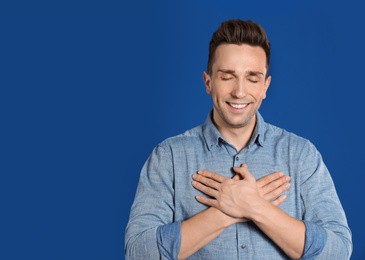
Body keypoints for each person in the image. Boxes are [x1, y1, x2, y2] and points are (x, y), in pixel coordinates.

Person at [125, 19, 352, 259]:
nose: (240, 91)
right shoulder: (168, 156)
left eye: (252, 78)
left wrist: (257, 207)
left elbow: (338, 251)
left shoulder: (301, 155)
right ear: (208, 82)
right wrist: (224, 211)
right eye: (227, 77)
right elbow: (139, 251)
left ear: (265, 86)